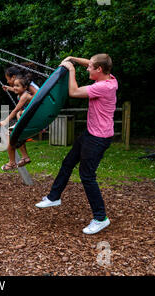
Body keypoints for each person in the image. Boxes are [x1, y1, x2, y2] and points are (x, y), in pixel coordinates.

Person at [35, 54, 118, 235]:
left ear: (99, 70)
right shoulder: (110, 78)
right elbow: (91, 62)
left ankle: (100, 218)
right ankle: (54, 197)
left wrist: (71, 69)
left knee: (87, 176)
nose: (87, 68)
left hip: (98, 138)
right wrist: (72, 58)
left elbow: (73, 92)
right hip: (90, 134)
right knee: (68, 163)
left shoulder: (103, 87)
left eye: (90, 67)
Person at [0, 75, 34, 170]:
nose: (14, 87)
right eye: (14, 85)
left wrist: (5, 121)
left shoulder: (25, 96)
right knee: (17, 135)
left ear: (25, 87)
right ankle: (25, 157)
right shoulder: (22, 93)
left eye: (17, 85)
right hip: (27, 118)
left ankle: (12, 163)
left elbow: (15, 110)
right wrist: (8, 88)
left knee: (10, 136)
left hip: (30, 119)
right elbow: (16, 89)